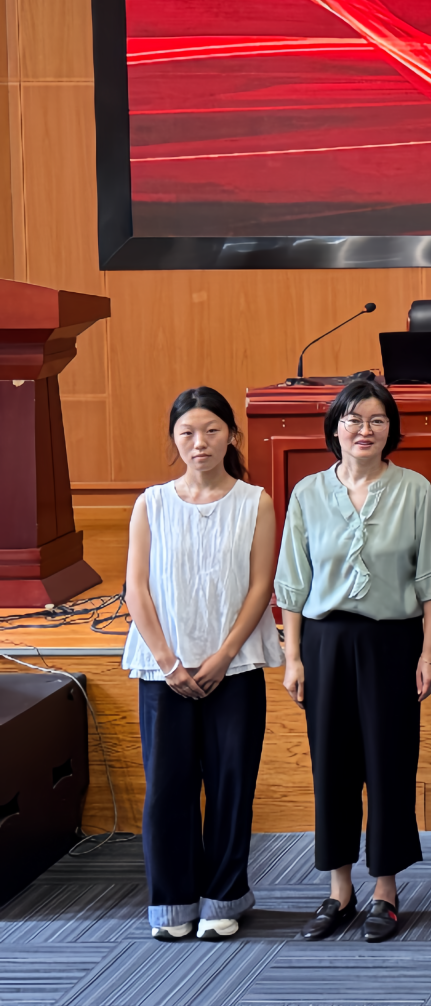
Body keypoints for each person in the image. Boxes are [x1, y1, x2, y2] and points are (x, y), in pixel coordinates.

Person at [276, 375, 431, 943]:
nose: (364, 430)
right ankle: (339, 891)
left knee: (389, 764)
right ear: (335, 428)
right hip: (324, 643)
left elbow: (429, 579)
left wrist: (429, 653)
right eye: (353, 419)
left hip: (392, 643)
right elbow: (292, 583)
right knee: (333, 766)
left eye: (376, 420)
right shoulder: (307, 493)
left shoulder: (414, 490)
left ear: (390, 429)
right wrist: (293, 657)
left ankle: (385, 891)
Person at [121, 386, 283, 942]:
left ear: (231, 436)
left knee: (231, 785)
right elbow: (136, 589)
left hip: (233, 667)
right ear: (174, 439)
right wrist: (169, 662)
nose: (200, 442)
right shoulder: (151, 503)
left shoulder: (255, 502)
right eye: (187, 432)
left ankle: (224, 896)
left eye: (212, 430)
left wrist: (224, 654)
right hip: (163, 669)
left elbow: (260, 587)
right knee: (168, 789)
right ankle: (172, 901)